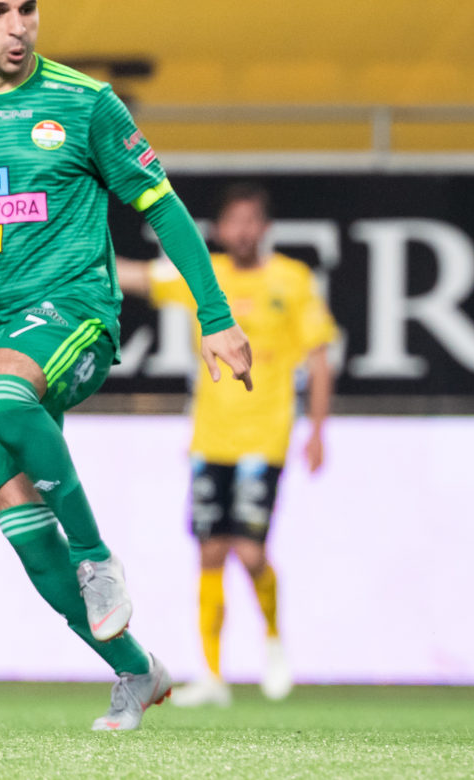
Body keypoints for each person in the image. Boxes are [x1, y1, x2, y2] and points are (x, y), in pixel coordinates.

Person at [0, 0, 252, 731]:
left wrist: (215, 316)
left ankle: (97, 554)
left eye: (28, 9)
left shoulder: (84, 103)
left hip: (73, 315)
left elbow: (162, 206)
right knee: (22, 529)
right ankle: (137, 671)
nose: (19, 27)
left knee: (4, 395)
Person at [116, 182, 336, 706]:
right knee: (211, 550)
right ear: (217, 229)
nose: (242, 231)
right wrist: (72, 251)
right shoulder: (204, 273)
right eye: (233, 221)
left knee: (251, 551)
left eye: (251, 220)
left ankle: (273, 641)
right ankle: (213, 675)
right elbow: (138, 276)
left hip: (264, 436)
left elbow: (319, 358)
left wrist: (318, 429)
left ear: (266, 228)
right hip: (210, 438)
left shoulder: (292, 279)